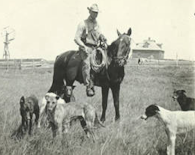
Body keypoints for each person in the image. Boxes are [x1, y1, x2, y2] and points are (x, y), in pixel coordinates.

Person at [74, 4, 106, 97]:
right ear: (89, 12)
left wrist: (102, 37)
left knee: (105, 61)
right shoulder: (83, 24)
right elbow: (76, 38)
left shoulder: (97, 24)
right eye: (94, 12)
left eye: (97, 13)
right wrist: (84, 47)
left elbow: (99, 35)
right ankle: (89, 86)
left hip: (95, 48)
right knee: (87, 64)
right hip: (85, 48)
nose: (95, 14)